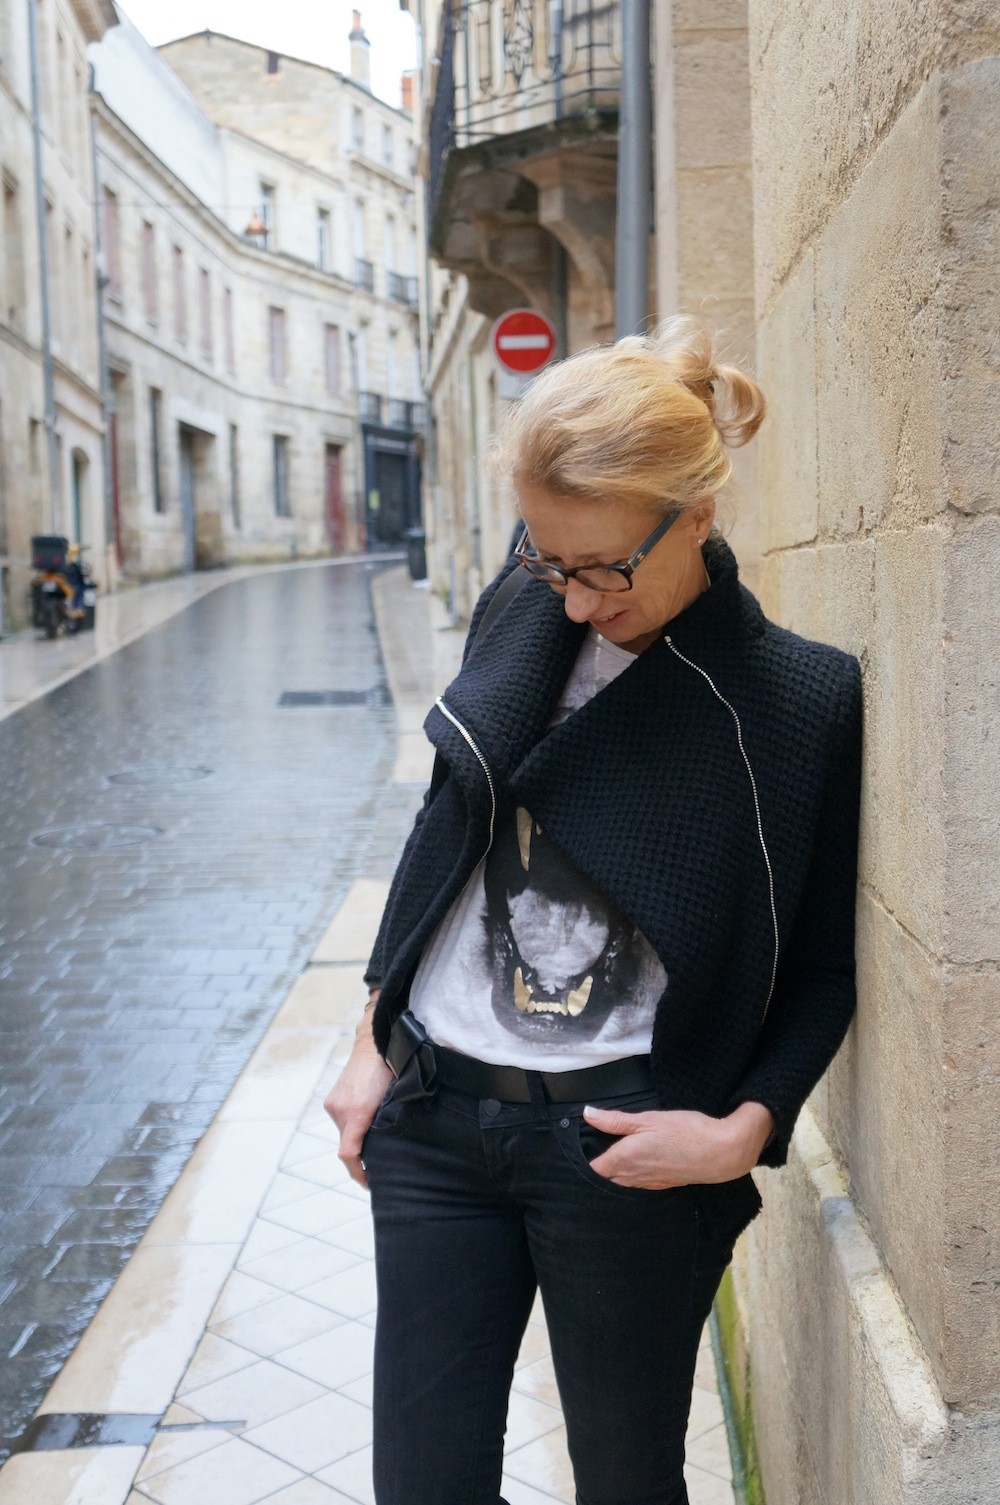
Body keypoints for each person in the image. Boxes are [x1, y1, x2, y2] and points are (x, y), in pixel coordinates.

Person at [325, 315, 863, 1505]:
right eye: (546, 558)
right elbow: (444, 827)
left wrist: (741, 1131)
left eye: (604, 567)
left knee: (625, 1483)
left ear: (698, 515)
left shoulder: (793, 700)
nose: (572, 601)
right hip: (435, 1118)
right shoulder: (521, 609)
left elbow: (824, 964)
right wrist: (371, 1035)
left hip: (621, 1153)